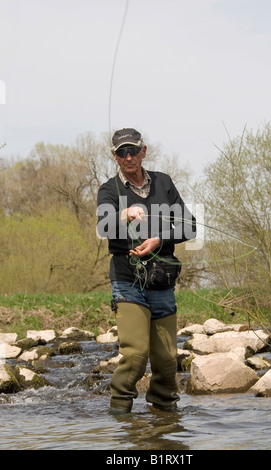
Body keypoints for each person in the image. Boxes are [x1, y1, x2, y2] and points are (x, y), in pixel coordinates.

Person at [97, 128, 196, 414]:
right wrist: (123, 214)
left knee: (166, 361)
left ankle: (165, 423)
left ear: (144, 151)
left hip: (162, 279)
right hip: (127, 281)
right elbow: (104, 227)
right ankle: (120, 418)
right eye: (121, 152)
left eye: (133, 150)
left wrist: (159, 240)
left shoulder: (164, 183)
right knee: (136, 355)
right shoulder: (109, 190)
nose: (128, 157)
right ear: (114, 157)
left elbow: (190, 227)